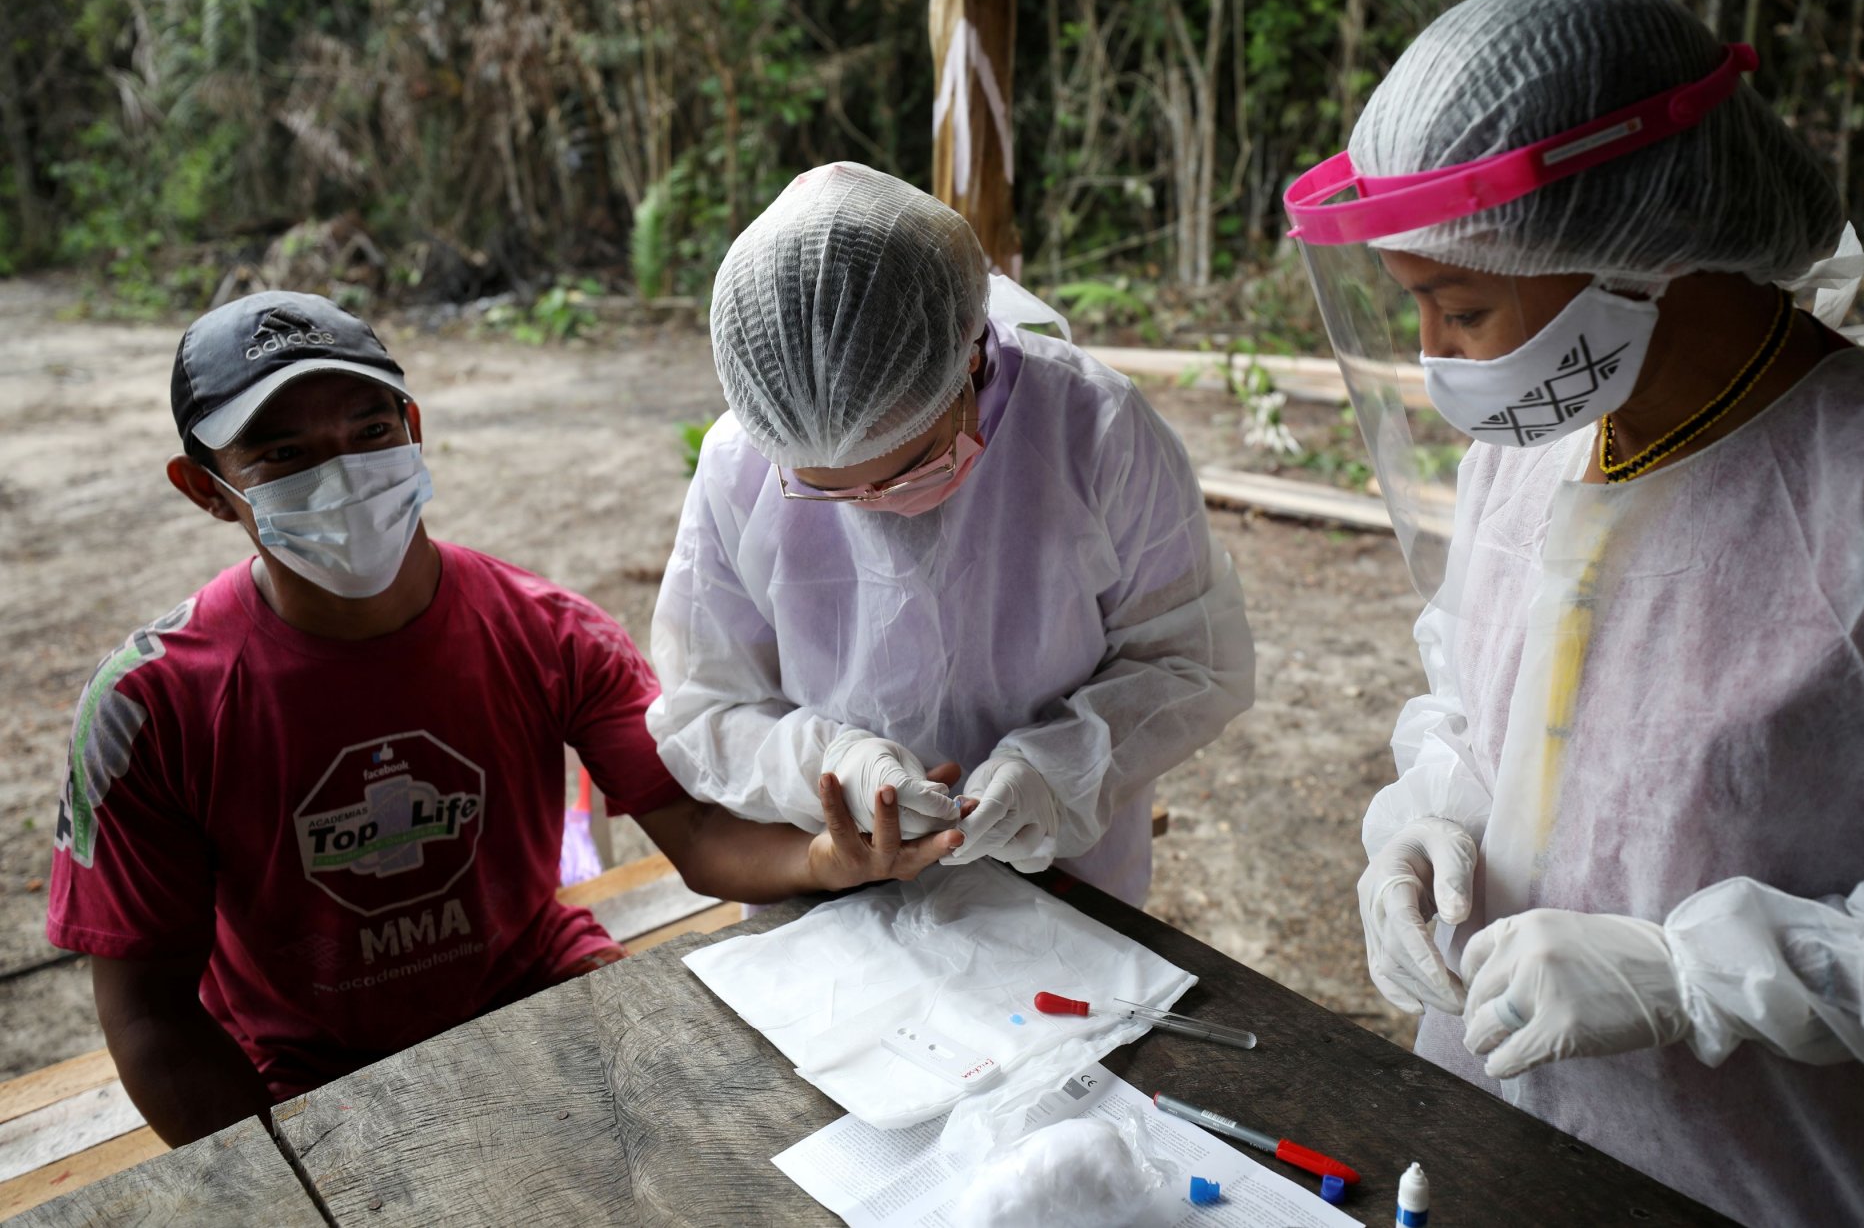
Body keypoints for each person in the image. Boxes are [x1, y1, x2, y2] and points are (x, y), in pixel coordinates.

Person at [1283, 0, 1864, 1223]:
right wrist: (1421, 830)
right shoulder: (1532, 447)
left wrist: (1694, 977)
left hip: (1781, 1185)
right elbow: (1472, 706)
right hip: (1482, 1133)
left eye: (1460, 308)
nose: (1436, 362)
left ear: (1643, 248)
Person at [45, 291, 956, 1147]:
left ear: (412, 432)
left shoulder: (546, 632)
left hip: (544, 994)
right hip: (307, 1077)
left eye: (367, 431)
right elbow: (151, 1013)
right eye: (283, 455)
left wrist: (826, 860)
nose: (342, 475)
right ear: (206, 488)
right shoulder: (148, 708)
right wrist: (284, 1184)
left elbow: (694, 825)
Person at [648, 163, 1255, 907]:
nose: (877, 507)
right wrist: (830, 764)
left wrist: (1056, 772)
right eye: (830, 490)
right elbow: (705, 707)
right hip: (834, 898)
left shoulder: (1095, 431)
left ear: (970, 357)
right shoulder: (741, 464)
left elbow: (1192, 657)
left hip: (1063, 885)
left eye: (907, 468)